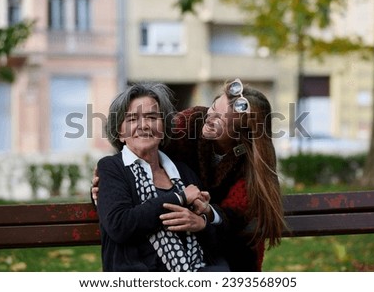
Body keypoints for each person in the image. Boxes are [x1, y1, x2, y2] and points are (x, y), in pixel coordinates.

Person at [93, 79, 284, 271]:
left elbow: (234, 220)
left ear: (239, 135)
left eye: (221, 119)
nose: (210, 118)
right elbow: (120, 211)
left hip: (222, 243)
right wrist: (105, 194)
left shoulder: (246, 164)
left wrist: (206, 216)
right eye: (213, 107)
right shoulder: (190, 124)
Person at [96, 82, 229, 272]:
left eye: (152, 117)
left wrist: (203, 221)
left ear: (163, 126)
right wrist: (179, 198)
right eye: (132, 119)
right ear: (120, 133)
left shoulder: (183, 172)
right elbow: (120, 225)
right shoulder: (112, 168)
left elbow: (216, 241)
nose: (143, 125)